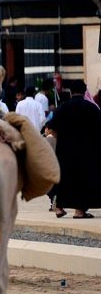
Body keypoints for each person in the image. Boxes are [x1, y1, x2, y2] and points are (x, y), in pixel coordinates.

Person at [46, 86, 101, 219]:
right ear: (84, 92)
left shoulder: (63, 108)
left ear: (70, 92)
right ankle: (79, 211)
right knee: (82, 180)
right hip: (86, 151)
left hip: (65, 151)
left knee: (64, 178)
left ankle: (59, 207)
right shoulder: (92, 108)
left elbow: (51, 128)